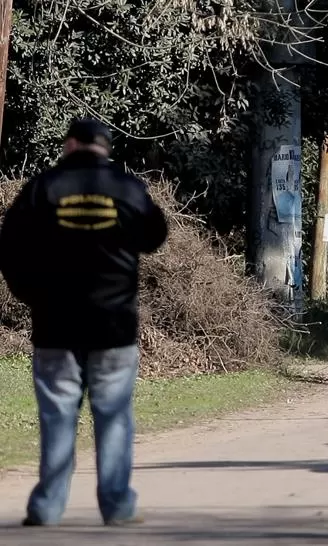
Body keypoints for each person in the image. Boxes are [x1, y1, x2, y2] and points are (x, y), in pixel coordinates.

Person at [0, 117, 169, 527]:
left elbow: (9, 248)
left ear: (70, 144)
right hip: (114, 326)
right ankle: (117, 506)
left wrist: (33, 297)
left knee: (58, 416)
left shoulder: (43, 188)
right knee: (113, 415)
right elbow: (155, 236)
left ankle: (46, 507)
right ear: (106, 148)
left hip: (56, 324)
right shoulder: (128, 188)